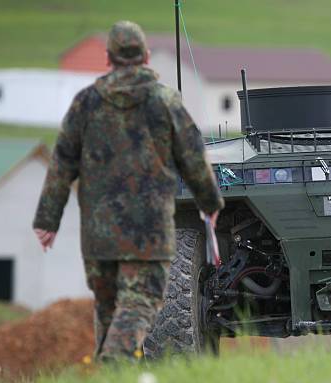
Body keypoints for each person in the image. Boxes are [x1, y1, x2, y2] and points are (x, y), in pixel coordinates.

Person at [33, 20, 224, 362]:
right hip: (147, 228)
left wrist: (47, 220)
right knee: (143, 299)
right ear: (146, 56)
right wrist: (210, 203)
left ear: (108, 58)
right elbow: (194, 157)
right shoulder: (165, 101)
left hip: (98, 231)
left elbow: (62, 163)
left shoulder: (85, 103)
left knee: (108, 307)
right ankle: (116, 359)